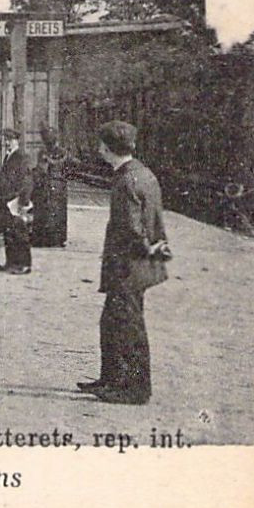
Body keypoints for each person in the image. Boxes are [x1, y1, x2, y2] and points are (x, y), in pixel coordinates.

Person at [79, 120, 169, 405]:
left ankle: (135, 389)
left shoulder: (124, 181)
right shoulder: (144, 173)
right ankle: (112, 379)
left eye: (100, 145)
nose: (98, 150)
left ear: (107, 149)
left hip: (128, 266)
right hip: (139, 265)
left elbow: (131, 229)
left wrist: (139, 251)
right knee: (113, 322)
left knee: (127, 326)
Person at [0, 128, 35, 274]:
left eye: (10, 140)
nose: (7, 142)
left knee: (20, 233)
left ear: (16, 141)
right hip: (8, 199)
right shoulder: (8, 156)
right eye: (5, 139)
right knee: (9, 232)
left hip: (17, 200)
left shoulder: (21, 156)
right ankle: (10, 262)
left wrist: (23, 201)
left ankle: (24, 264)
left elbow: (27, 181)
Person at [32, 125, 69, 248]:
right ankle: (51, 238)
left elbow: (44, 168)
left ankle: (51, 239)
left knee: (51, 212)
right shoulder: (48, 152)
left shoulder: (53, 152)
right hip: (53, 185)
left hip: (52, 185)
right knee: (51, 212)